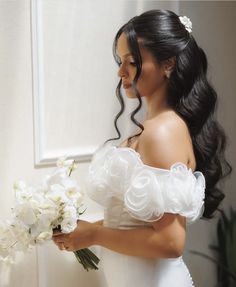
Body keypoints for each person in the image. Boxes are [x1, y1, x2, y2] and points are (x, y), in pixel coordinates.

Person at [52, 9, 232, 287]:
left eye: (132, 62)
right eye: (120, 60)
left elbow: (170, 242)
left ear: (168, 64)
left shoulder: (161, 132)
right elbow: (138, 224)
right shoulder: (155, 126)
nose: (120, 71)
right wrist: (83, 231)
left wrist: (95, 236)